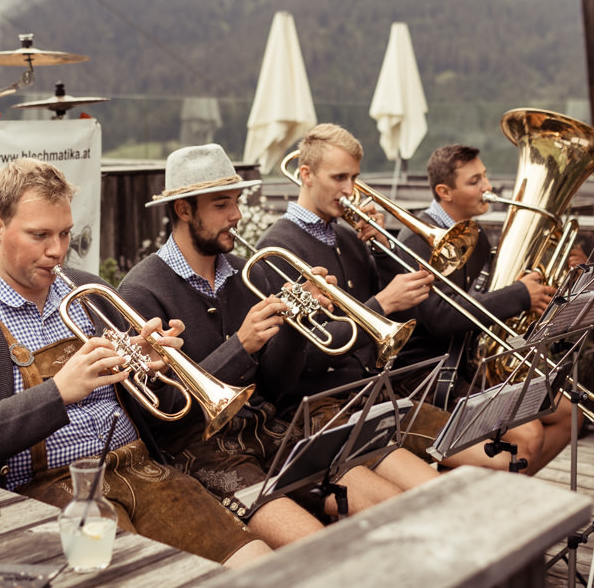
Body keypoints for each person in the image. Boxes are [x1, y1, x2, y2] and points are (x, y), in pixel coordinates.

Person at [0, 157, 271, 567]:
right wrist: (58, 392)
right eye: (39, 235)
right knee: (138, 575)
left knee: (261, 566)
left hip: (144, 471)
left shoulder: (91, 291)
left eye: (65, 233)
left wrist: (152, 371)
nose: (57, 251)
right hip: (45, 491)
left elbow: (162, 413)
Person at [118, 144, 437, 547]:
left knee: (396, 509)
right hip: (200, 450)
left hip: (271, 429)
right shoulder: (141, 289)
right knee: (315, 543)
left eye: (235, 202)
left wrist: (290, 328)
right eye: (221, 205)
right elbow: (162, 413)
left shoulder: (242, 273)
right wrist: (241, 345)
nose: (235, 215)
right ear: (183, 210)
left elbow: (278, 386)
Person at [257, 123, 541, 472]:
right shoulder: (277, 247)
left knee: (511, 454)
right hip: (322, 402)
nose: (350, 191)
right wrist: (382, 304)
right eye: (339, 178)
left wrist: (383, 248)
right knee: (497, 461)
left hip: (375, 391)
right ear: (306, 175)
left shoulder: (347, 239)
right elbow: (310, 352)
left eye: (355, 178)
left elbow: (399, 304)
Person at [398, 143, 583, 474]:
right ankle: (501, 500)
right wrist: (519, 296)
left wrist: (545, 282)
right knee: (529, 434)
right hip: (429, 377)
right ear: (445, 191)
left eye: (484, 176)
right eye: (474, 181)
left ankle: (503, 491)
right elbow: (439, 316)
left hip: (467, 367)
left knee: (571, 414)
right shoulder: (415, 240)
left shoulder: (477, 237)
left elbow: (491, 296)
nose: (487, 187)